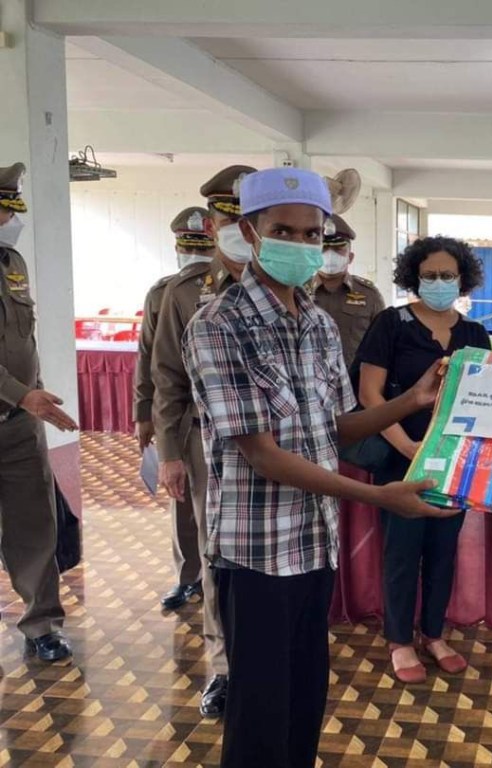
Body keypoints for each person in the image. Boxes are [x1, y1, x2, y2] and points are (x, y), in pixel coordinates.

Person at [183, 167, 453, 768]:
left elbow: (334, 427)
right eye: (284, 231)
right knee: (259, 718)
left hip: (313, 544)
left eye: (312, 234)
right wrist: (379, 497)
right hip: (255, 553)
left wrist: (412, 400)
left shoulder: (319, 325)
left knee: (304, 703)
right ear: (250, 232)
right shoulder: (218, 325)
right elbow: (262, 453)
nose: (301, 245)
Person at [355, 235, 490, 684]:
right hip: (401, 459)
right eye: (429, 275)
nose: (438, 282)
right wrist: (407, 447)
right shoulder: (391, 324)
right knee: (402, 551)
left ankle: (434, 633)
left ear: (462, 278)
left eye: (447, 275)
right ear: (414, 276)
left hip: (454, 463)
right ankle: (399, 640)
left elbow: (486, 399)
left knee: (443, 552)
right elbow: (370, 394)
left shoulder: (475, 333)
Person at [151, 164, 255, 718]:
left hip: (280, 444)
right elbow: (166, 377)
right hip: (204, 441)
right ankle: (223, 666)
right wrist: (169, 453)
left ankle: (266, 656)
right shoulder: (184, 292)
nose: (238, 230)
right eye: (227, 219)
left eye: (247, 219)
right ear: (213, 226)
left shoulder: (292, 285)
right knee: (217, 555)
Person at [0, 162, 78, 663]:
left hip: (19, 426)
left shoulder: (13, 262)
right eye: (7, 210)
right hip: (17, 404)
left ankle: (41, 625)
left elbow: (23, 342)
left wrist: (37, 394)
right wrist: (20, 393)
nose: (14, 220)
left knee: (35, 526)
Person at [134, 206, 214, 612]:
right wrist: (143, 413)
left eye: (201, 245)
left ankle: (217, 580)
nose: (194, 253)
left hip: (215, 410)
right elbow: (151, 357)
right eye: (188, 245)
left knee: (212, 504)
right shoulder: (164, 292)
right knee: (182, 498)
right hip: (178, 411)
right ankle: (188, 577)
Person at [309, 213, 385, 371]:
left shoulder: (369, 295)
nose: (330, 254)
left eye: (338, 248)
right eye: (324, 248)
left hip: (355, 380)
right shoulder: (297, 291)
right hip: (308, 380)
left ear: (350, 257)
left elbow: (383, 344)